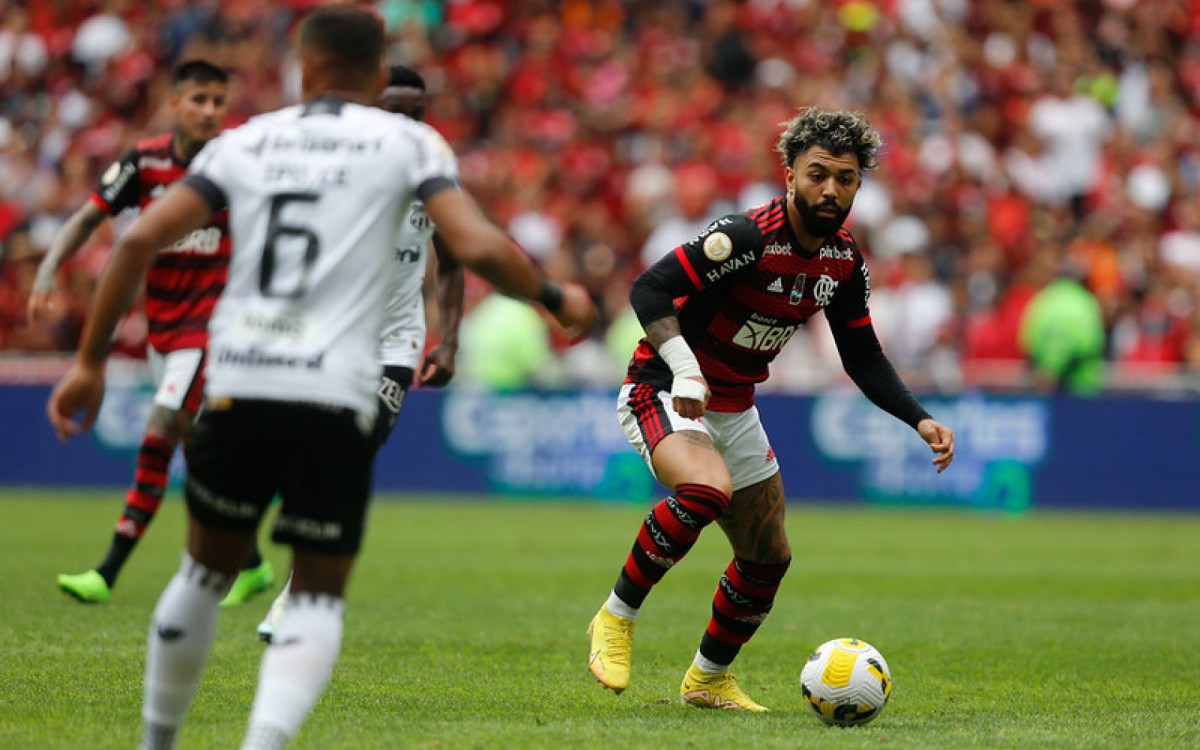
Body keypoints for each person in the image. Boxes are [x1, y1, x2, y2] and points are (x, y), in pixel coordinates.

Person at [46, 7, 596, 749]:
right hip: (334, 390)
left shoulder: (245, 141)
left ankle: (157, 741)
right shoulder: (409, 143)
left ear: (302, 67)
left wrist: (88, 363)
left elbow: (139, 237)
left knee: (201, 574)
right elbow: (473, 244)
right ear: (377, 74)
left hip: (240, 381)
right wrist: (556, 298)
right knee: (315, 595)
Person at [586, 107, 955, 711]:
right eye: (817, 174)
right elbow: (649, 288)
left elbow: (862, 356)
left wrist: (919, 417)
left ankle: (707, 680)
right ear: (790, 176)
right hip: (665, 387)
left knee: (768, 557)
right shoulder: (748, 237)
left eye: (845, 178)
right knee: (706, 490)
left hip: (733, 406)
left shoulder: (843, 262)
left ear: (859, 186)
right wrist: (685, 368)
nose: (830, 189)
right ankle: (615, 617)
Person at [31, 59, 275, 606]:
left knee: (159, 434)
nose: (209, 111)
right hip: (163, 331)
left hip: (213, 330)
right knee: (200, 456)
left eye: (218, 101)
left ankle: (107, 571)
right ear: (175, 103)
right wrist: (49, 267)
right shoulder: (144, 162)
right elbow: (89, 218)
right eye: (199, 99)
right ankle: (253, 565)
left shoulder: (237, 163)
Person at [254, 63, 466, 642]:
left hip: (394, 343)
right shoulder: (336, 167)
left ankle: (295, 597)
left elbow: (452, 258)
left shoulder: (433, 171)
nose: (409, 124)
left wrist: (449, 339)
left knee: (349, 459)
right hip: (328, 337)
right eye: (395, 112)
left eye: (418, 113)